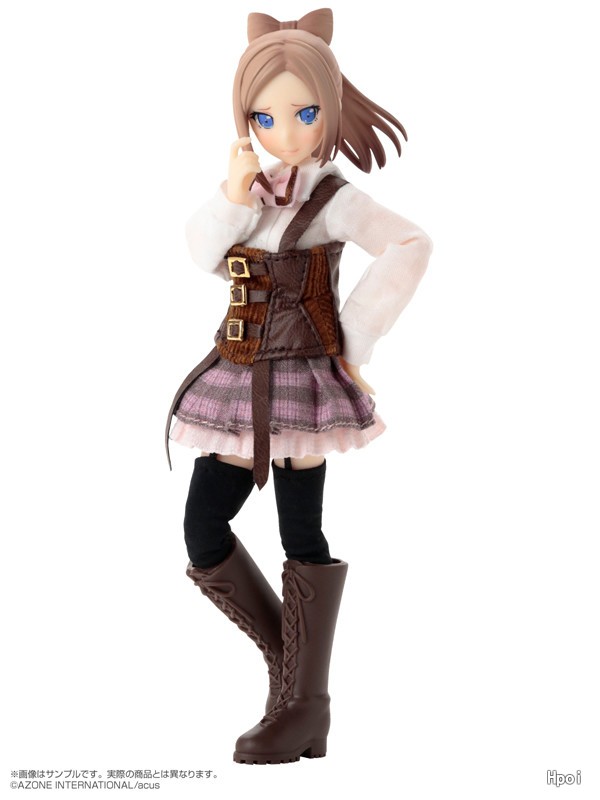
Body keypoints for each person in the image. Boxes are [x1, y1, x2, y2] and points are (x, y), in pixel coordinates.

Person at [165, 7, 432, 764]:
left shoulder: (335, 197)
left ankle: (302, 702)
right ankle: (299, 684)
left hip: (302, 381)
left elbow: (410, 242)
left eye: (305, 114)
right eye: (265, 116)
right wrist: (232, 193)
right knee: (203, 528)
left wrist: (355, 339)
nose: (285, 132)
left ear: (330, 110)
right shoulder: (249, 186)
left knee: (299, 534)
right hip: (237, 375)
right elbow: (201, 253)